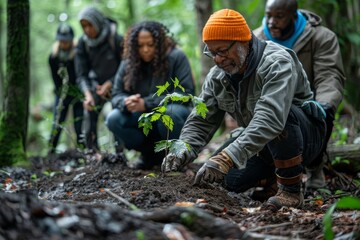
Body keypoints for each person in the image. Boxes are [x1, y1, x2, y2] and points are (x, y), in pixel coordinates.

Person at [162, 9, 326, 211]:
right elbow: (202, 120)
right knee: (224, 180)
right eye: (212, 53)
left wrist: (227, 157)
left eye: (222, 51)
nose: (217, 59)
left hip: (304, 137)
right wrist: (182, 149)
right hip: (260, 143)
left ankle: (291, 191)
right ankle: (270, 179)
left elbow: (270, 119)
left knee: (281, 119)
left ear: (243, 41)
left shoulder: (277, 62)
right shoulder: (217, 77)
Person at [253, 0, 345, 193]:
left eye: (279, 17)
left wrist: (323, 105)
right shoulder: (255, 39)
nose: (271, 22)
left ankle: (315, 169)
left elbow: (329, 76)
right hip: (270, 104)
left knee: (323, 114)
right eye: (268, 15)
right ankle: (271, 177)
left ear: (294, 16)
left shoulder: (321, 37)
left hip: (308, 103)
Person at [105, 21, 195, 170]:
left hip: (171, 116)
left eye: (150, 44)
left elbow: (186, 94)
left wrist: (146, 103)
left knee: (169, 114)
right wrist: (126, 101)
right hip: (141, 118)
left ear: (159, 43)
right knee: (113, 118)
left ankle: (177, 158)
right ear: (134, 46)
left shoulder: (176, 57)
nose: (145, 50)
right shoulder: (129, 62)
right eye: (140, 46)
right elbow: (116, 94)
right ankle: (149, 155)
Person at [75, 6, 124, 154]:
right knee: (90, 113)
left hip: (117, 85)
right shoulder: (83, 44)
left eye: (90, 25)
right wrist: (87, 94)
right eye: (83, 26)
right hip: (94, 86)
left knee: (116, 115)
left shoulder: (115, 39)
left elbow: (126, 67)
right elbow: (81, 74)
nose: (87, 30)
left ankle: (120, 153)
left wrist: (110, 84)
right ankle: (92, 154)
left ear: (97, 23)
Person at [48, 23, 84, 154]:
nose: (64, 43)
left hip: (78, 94)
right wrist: (62, 94)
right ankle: (50, 152)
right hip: (61, 94)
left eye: (66, 40)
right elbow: (56, 80)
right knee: (57, 124)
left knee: (79, 126)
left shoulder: (78, 54)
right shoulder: (53, 57)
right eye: (61, 40)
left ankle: (84, 153)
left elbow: (81, 74)